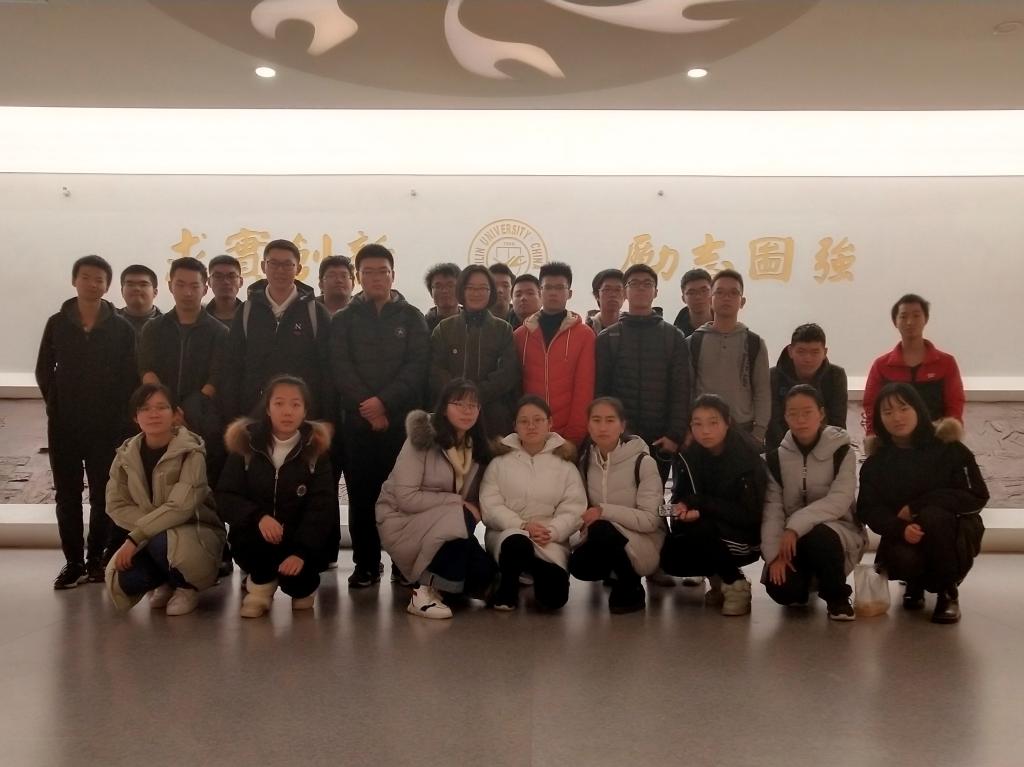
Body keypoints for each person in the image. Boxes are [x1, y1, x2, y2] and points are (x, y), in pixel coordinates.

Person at [330, 243, 430, 588]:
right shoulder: (344, 319)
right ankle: (367, 564)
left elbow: (416, 367)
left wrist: (384, 403)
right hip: (358, 423)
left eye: (382, 271)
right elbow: (340, 367)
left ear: (393, 275)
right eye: (368, 272)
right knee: (362, 496)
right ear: (358, 277)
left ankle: (403, 563)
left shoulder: (411, 317)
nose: (376, 277)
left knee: (403, 496)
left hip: (400, 423)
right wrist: (369, 407)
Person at [36, 254, 139, 589]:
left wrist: (120, 417)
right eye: (86, 277)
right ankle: (73, 562)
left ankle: (96, 559)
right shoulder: (57, 323)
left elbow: (129, 376)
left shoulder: (121, 327)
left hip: (106, 426)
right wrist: (55, 404)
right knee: (66, 495)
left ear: (107, 285)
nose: (92, 284)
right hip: (64, 424)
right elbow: (44, 369)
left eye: (99, 279)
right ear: (74, 280)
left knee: (103, 495)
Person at [857, 383, 986, 624]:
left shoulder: (950, 448)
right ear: (879, 419)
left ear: (918, 408)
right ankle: (914, 583)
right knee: (903, 558)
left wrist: (916, 507)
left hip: (952, 532)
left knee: (933, 516)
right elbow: (868, 508)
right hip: (904, 533)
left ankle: (947, 592)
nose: (897, 417)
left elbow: (976, 495)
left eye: (904, 408)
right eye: (887, 412)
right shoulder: (877, 462)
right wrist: (899, 528)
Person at [217, 376, 338, 617]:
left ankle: (300, 586)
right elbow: (225, 495)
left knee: (299, 589)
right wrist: (258, 517)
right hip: (256, 536)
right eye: (279, 403)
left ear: (305, 411)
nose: (287, 411)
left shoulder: (316, 451)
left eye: (295, 404)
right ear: (268, 408)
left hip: (298, 541)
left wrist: (301, 551)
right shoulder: (246, 445)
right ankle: (260, 586)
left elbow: (322, 507)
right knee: (256, 556)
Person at [377, 379, 497, 619]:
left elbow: (475, 502)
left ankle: (445, 585)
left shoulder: (476, 448)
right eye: (458, 404)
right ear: (444, 408)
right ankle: (422, 591)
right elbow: (406, 498)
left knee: (490, 583)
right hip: (402, 518)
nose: (467, 411)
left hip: (446, 524)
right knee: (462, 516)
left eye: (473, 405)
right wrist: (455, 502)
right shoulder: (422, 439)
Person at [104, 384, 226, 616]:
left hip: (196, 532)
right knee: (124, 579)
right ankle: (165, 581)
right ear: (135, 417)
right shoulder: (126, 455)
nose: (154, 414)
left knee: (161, 542)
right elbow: (116, 504)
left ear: (175, 414)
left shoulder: (191, 451)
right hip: (152, 536)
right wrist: (149, 529)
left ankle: (185, 587)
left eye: (161, 407)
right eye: (145, 408)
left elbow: (181, 507)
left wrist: (137, 536)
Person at [761, 385, 866, 620]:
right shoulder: (774, 459)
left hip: (836, 531)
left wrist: (794, 527)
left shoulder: (843, 452)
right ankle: (806, 581)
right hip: (790, 539)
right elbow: (772, 510)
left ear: (821, 413)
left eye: (807, 412)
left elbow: (839, 500)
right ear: (785, 417)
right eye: (793, 413)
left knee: (820, 535)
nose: (800, 420)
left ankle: (837, 597)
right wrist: (774, 556)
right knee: (782, 590)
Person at [660, 394, 767, 616]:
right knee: (670, 555)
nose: (705, 431)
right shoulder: (688, 456)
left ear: (728, 422)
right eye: (697, 424)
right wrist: (680, 511)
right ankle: (719, 580)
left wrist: (700, 505)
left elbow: (750, 515)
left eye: (713, 422)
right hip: (706, 527)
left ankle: (736, 584)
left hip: (744, 536)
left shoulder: (748, 457)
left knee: (701, 529)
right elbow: (679, 497)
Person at [480, 396, 586, 611]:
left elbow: (574, 507)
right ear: (515, 426)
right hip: (509, 533)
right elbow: (490, 505)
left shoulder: (565, 465)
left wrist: (553, 531)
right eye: (524, 421)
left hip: (548, 538)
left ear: (550, 423)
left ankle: (531, 569)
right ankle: (507, 586)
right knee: (516, 543)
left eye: (538, 420)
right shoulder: (499, 463)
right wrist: (522, 525)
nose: (531, 426)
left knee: (553, 600)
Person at [595, 263, 690, 484]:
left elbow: (681, 389)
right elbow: (600, 392)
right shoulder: (608, 338)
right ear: (625, 291)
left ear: (655, 292)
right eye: (634, 283)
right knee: (617, 496)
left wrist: (674, 435)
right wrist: (606, 432)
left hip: (660, 441)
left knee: (654, 498)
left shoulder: (673, 336)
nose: (640, 288)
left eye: (647, 284)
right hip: (618, 439)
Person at [568, 397, 664, 613]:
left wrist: (604, 511)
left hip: (644, 541)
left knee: (602, 527)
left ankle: (631, 584)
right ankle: (615, 571)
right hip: (604, 537)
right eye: (596, 420)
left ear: (622, 426)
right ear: (588, 425)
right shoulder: (585, 462)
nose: (603, 427)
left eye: (610, 420)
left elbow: (651, 520)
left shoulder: (643, 462)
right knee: (579, 565)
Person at [221, 239, 331, 420]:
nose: (280, 270)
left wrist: (325, 419)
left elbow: (326, 370)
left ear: (298, 269)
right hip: (254, 412)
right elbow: (233, 367)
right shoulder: (247, 310)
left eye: (287, 264)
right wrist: (233, 419)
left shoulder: (316, 312)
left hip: (302, 413)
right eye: (273, 263)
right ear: (263, 266)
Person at [138, 257, 228, 464]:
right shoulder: (153, 328)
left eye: (194, 286)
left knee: (199, 472)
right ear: (171, 286)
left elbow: (216, 378)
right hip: (158, 416)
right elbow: (146, 369)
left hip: (201, 418)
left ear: (205, 289)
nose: (187, 292)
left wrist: (185, 413)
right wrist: (166, 408)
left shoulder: (219, 332)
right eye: (180, 285)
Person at [430, 265, 520, 438]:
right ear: (461, 290)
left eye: (483, 288)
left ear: (491, 292)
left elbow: (507, 373)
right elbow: (436, 370)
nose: (476, 293)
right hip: (450, 413)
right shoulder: (444, 329)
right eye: (470, 288)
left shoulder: (503, 329)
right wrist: (458, 399)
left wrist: (473, 397)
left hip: (492, 417)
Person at [513, 262, 595, 445]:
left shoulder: (585, 335)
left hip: (568, 434)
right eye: (548, 287)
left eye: (559, 288)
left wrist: (574, 437)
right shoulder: (520, 335)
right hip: (529, 431)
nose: (553, 293)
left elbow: (584, 388)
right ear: (540, 291)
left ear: (569, 293)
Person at [688, 269, 770, 448]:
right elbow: (688, 389)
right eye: (720, 292)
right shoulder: (693, 342)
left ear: (742, 301)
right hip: (704, 431)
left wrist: (759, 432)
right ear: (710, 299)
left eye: (733, 293)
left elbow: (762, 390)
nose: (726, 298)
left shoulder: (754, 343)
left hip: (743, 430)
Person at [862, 294, 964, 435]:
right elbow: (871, 405)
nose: (910, 322)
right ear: (895, 322)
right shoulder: (881, 366)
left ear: (926, 319)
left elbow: (955, 403)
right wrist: (872, 435)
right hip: (894, 439)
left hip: (936, 438)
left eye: (916, 316)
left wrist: (950, 433)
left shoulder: (946, 363)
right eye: (903, 317)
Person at [766, 323, 848, 450]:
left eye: (815, 352)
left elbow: (837, 422)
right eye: (801, 351)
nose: (808, 359)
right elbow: (773, 423)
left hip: (825, 448)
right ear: (790, 351)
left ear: (825, 352)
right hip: (782, 447)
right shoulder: (773, 376)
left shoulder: (836, 375)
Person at [117, 264, 162, 338]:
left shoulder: (168, 325)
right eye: (130, 284)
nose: (136, 288)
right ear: (122, 291)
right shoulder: (110, 323)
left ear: (155, 292)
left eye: (143, 285)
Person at [205, 254, 244, 328]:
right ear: (209, 282)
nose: (225, 282)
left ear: (241, 282)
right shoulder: (199, 317)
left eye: (231, 276)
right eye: (218, 276)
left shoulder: (252, 316)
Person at [672, 268, 713, 338]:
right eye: (691, 293)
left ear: (713, 293)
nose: (698, 296)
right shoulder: (674, 336)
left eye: (704, 291)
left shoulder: (727, 326)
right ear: (683, 298)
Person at [423, 262, 461, 332]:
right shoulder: (421, 326)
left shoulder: (473, 324)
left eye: (450, 286)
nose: (444, 291)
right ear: (431, 292)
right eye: (438, 286)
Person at [587, 268, 624, 334]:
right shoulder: (587, 329)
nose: (613, 294)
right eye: (607, 289)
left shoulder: (633, 327)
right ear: (596, 295)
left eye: (618, 290)